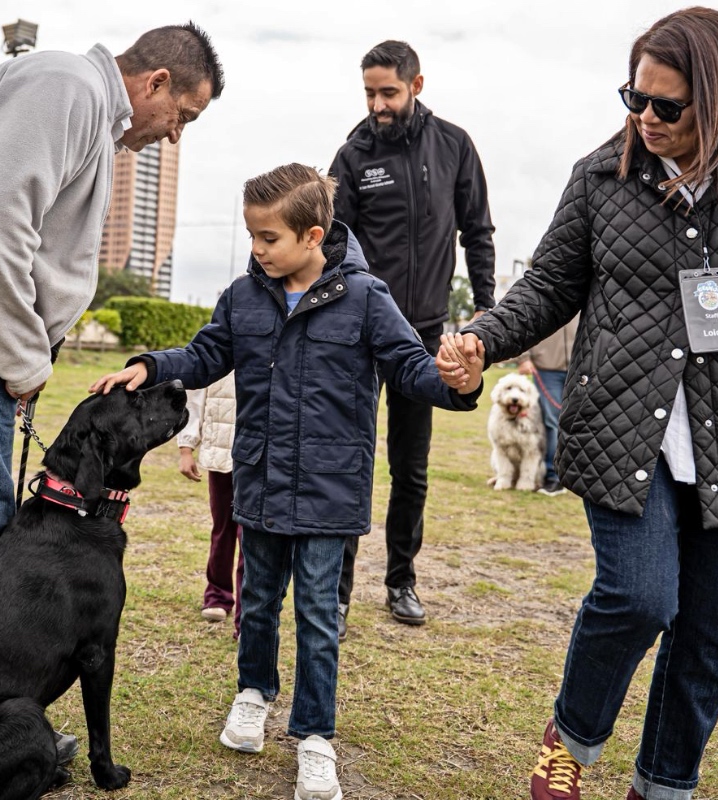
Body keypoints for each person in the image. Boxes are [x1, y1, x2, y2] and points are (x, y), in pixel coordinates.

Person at [439, 9, 718, 799]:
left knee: (707, 636)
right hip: (623, 426)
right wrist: (482, 339)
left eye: (667, 105)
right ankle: (574, 737)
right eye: (635, 98)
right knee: (639, 598)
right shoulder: (601, 176)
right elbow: (549, 284)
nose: (646, 118)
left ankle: (665, 786)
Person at [89, 164, 482, 800]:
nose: (257, 249)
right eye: (252, 235)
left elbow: (411, 367)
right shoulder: (243, 297)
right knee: (258, 601)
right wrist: (151, 366)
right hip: (262, 483)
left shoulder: (367, 297)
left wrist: (457, 380)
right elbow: (205, 354)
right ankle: (253, 692)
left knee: (319, 616)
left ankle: (315, 736)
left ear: (313, 235)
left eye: (268, 238)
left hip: (331, 493)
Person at [0, 23, 224, 685]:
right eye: (183, 116)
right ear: (157, 82)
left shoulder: (84, 103)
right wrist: (25, 360)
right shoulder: (66, 86)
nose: (175, 134)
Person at [328, 40, 497, 632]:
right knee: (349, 463)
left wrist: (486, 310)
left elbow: (478, 232)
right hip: (359, 333)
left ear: (416, 86)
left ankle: (401, 581)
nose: (378, 105)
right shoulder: (353, 153)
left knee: (411, 468)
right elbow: (331, 241)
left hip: (422, 337)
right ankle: (337, 593)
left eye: (388, 93)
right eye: (369, 93)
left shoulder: (454, 146)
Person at [176, 374, 244, 636]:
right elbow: (194, 398)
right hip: (221, 450)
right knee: (223, 528)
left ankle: (248, 616)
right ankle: (217, 594)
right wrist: (186, 447)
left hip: (261, 458)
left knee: (252, 536)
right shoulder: (219, 350)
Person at [517, 316, 580, 496]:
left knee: (578, 422)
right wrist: (524, 357)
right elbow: (526, 322)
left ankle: (576, 476)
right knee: (552, 422)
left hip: (580, 366)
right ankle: (553, 477)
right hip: (546, 368)